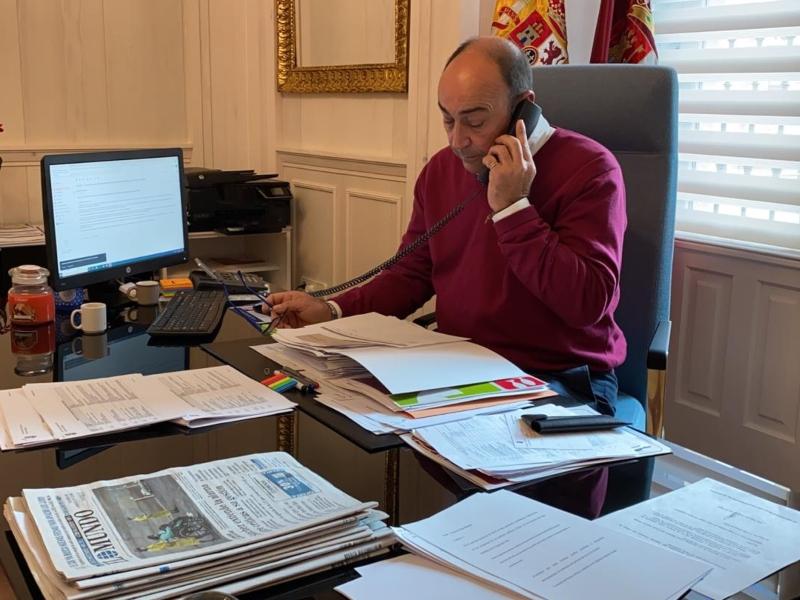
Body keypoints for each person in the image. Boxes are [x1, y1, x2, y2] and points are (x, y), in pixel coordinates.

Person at [266, 36, 627, 518]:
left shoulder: (591, 169)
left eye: (475, 121)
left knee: (530, 524)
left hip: (558, 381)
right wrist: (331, 309)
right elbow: (412, 272)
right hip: (462, 375)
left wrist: (513, 207)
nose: (458, 141)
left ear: (523, 109)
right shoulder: (442, 171)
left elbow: (586, 302)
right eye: (447, 120)